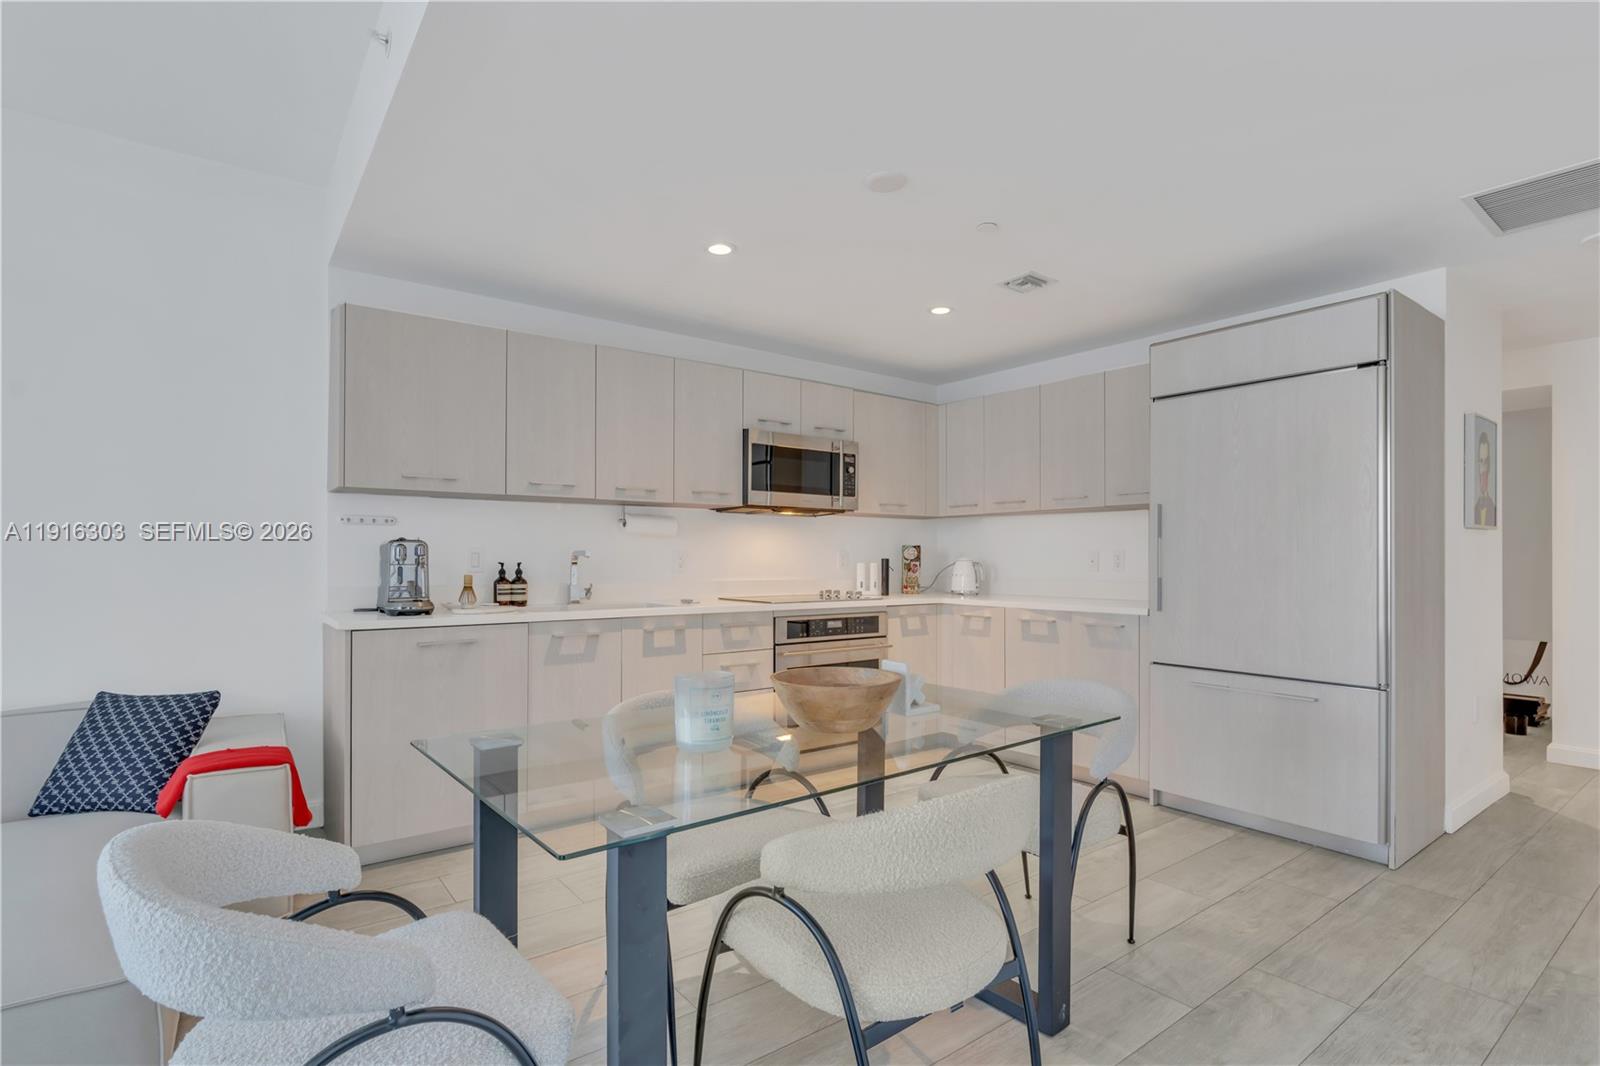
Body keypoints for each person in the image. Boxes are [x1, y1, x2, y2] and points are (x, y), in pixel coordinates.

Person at [1473, 430, 1497, 527]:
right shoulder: (1474, 506)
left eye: (1486, 462)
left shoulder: (1493, 507)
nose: (1483, 470)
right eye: (1481, 461)